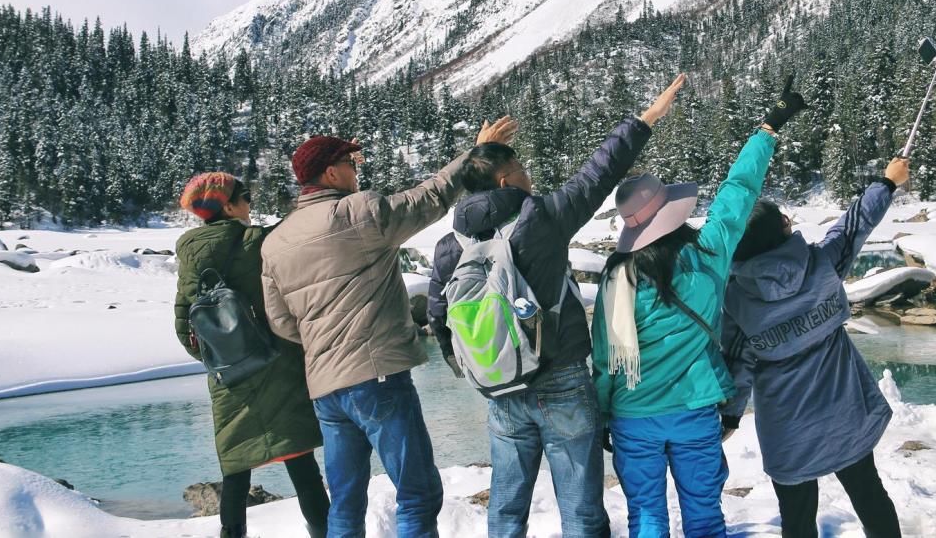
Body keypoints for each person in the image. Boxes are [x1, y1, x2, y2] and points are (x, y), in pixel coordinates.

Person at [428, 74, 689, 538]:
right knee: (581, 510)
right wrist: (647, 118)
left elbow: (439, 318)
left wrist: (482, 365)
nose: (529, 175)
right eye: (522, 169)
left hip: (499, 388)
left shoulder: (451, 244)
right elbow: (599, 172)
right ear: (507, 179)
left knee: (506, 511)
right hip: (561, 379)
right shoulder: (540, 219)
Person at [261, 119, 516, 538]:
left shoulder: (275, 242)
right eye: (350, 161)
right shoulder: (357, 213)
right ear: (330, 173)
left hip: (326, 390)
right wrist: (475, 154)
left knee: (344, 501)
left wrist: (324, 342)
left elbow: (282, 323)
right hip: (376, 375)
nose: (355, 168)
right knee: (417, 493)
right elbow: (430, 197)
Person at [592, 76, 809, 538]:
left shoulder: (617, 278)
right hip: (694, 412)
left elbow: (607, 362)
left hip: (634, 415)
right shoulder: (709, 253)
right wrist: (768, 128)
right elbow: (738, 192)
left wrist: (604, 414)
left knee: (646, 517)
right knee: (705, 518)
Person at [720, 157, 911, 538]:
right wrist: (887, 183)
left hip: (786, 427)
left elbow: (737, 367)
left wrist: (728, 419)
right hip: (845, 411)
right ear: (782, 230)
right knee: (869, 493)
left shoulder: (736, 300)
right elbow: (857, 224)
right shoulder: (822, 264)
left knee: (797, 516)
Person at [173, 172, 330, 538]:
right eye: (244, 196)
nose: (250, 202)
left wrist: (226, 357)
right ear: (227, 205)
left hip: (229, 376)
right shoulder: (257, 241)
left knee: (235, 469)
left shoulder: (189, 256)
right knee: (302, 463)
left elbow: (185, 329)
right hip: (276, 363)